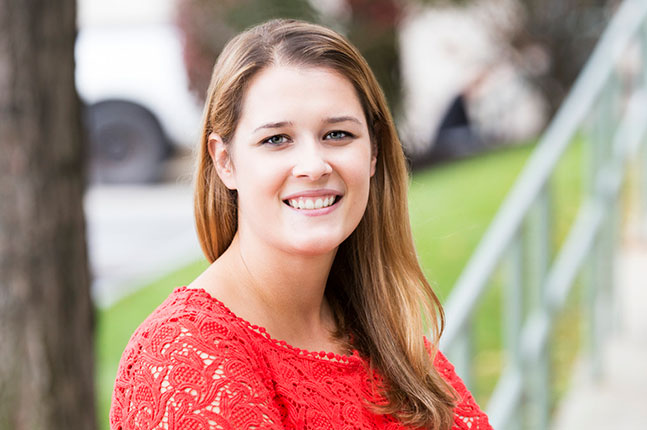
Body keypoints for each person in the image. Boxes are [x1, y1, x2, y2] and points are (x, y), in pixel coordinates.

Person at [110, 19, 491, 430]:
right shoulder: (184, 356)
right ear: (225, 161)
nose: (313, 166)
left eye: (338, 134)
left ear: (374, 152)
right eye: (276, 139)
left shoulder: (389, 345)